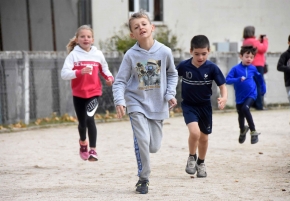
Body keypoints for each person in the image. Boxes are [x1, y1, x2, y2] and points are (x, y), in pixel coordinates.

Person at [112, 10, 178, 194]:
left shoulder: (165, 52)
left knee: (154, 146)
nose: (141, 27)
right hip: (136, 102)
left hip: (157, 104)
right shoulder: (131, 55)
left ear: (152, 27)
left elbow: (173, 74)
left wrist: (170, 93)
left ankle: (140, 142)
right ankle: (143, 178)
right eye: (136, 26)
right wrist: (120, 101)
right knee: (142, 139)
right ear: (132, 34)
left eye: (143, 24)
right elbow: (120, 82)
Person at [176, 35, 227, 178]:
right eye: (197, 54)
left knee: (204, 138)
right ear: (190, 51)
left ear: (209, 51)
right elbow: (171, 76)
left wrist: (224, 97)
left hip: (205, 107)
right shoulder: (184, 66)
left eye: (204, 54)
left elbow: (222, 86)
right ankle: (191, 157)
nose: (200, 57)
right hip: (189, 105)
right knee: (195, 133)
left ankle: (201, 162)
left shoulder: (212, 68)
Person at [61, 25, 114, 162]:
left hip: (94, 92)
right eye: (82, 36)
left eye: (88, 36)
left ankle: (93, 150)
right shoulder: (73, 55)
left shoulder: (98, 54)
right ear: (77, 39)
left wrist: (109, 78)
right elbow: (64, 74)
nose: (86, 39)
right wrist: (79, 72)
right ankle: (83, 142)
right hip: (78, 93)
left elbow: (105, 70)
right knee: (82, 123)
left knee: (90, 119)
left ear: (93, 39)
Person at [226, 46, 266, 144]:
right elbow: (227, 80)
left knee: (245, 109)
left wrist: (263, 87)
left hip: (251, 94)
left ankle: (253, 131)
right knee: (240, 115)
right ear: (241, 56)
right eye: (247, 56)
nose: (249, 59)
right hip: (240, 97)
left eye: (251, 57)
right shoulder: (235, 69)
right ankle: (242, 130)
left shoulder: (253, 68)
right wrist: (237, 79)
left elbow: (259, 78)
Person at [243, 26, 268, 110]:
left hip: (250, 65)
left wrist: (258, 40)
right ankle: (259, 105)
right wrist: (265, 40)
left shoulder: (245, 41)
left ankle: (252, 103)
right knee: (260, 84)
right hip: (257, 65)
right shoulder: (253, 41)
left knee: (252, 85)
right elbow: (263, 48)